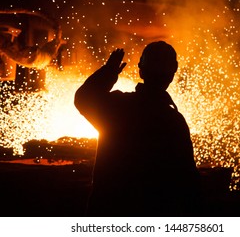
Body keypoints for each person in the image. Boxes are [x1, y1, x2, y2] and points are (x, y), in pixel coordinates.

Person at [74, 41, 201, 216]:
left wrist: (109, 72)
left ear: (141, 70)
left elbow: (83, 99)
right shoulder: (174, 122)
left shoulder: (118, 108)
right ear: (172, 75)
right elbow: (187, 179)